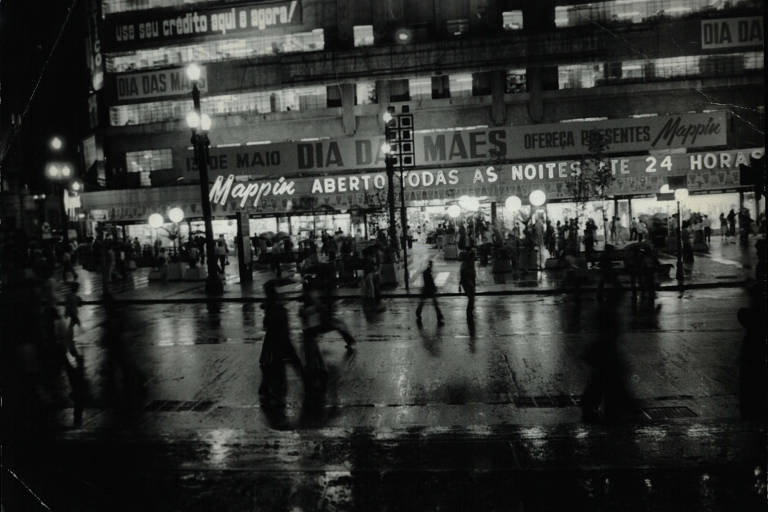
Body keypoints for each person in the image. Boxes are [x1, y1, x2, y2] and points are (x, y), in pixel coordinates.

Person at [259, 281, 304, 401]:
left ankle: (268, 388)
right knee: (289, 361)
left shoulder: (271, 305)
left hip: (275, 338)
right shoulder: (276, 303)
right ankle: (270, 388)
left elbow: (267, 323)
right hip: (281, 337)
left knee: (274, 364)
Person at [416, 260, 444, 325]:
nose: (432, 266)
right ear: (430, 265)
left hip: (426, 289)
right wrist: (434, 287)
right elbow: (430, 281)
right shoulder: (428, 272)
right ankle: (439, 315)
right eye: (431, 265)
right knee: (435, 303)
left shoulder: (427, 272)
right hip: (429, 290)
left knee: (423, 302)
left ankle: (418, 313)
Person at [459, 250, 477, 320]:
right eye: (473, 257)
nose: (474, 258)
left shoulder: (470, 264)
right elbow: (463, 275)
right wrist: (470, 284)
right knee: (471, 299)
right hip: (468, 284)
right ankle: (469, 313)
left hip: (470, 283)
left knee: (471, 299)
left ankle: (470, 312)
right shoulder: (466, 265)